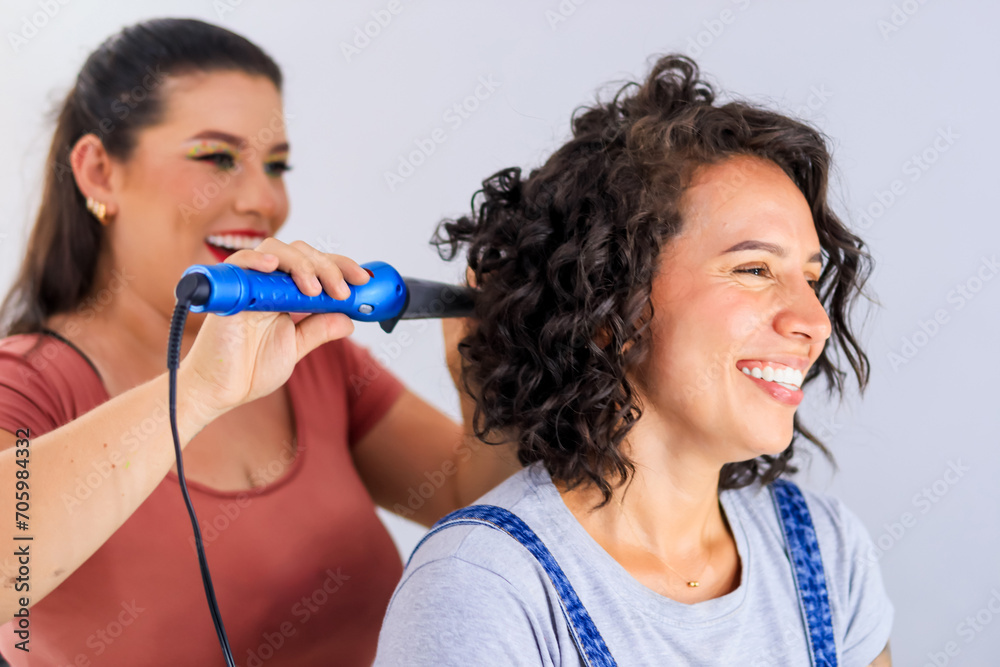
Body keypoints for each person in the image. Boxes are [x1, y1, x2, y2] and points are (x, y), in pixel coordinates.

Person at [0, 18, 519, 666]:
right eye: (217, 157)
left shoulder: (311, 356)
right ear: (99, 171)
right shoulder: (25, 384)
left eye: (275, 165)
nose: (264, 198)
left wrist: (483, 374)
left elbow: (468, 497)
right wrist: (197, 392)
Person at [375, 54, 894, 665]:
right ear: (606, 305)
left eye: (810, 279)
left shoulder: (827, 553)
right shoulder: (484, 587)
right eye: (754, 269)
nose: (813, 323)